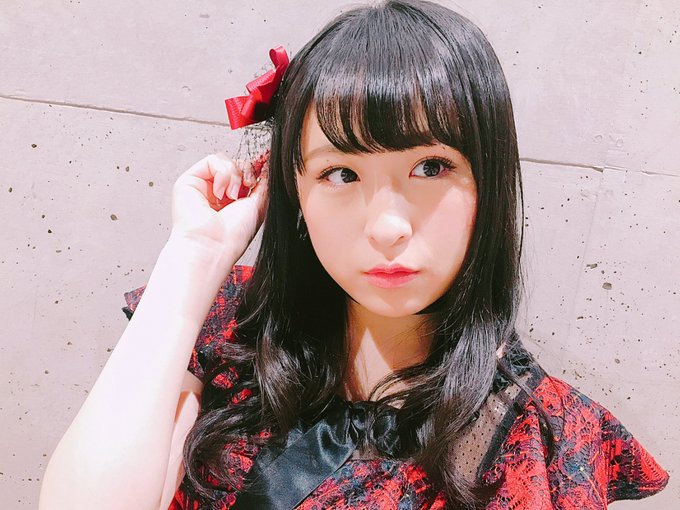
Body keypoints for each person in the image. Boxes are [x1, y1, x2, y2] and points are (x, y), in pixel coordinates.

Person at [39, 1, 669, 509]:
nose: (388, 227)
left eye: (431, 167)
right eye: (340, 174)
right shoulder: (233, 331)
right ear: (293, 190)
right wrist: (194, 258)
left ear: (490, 181)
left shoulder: (543, 436)